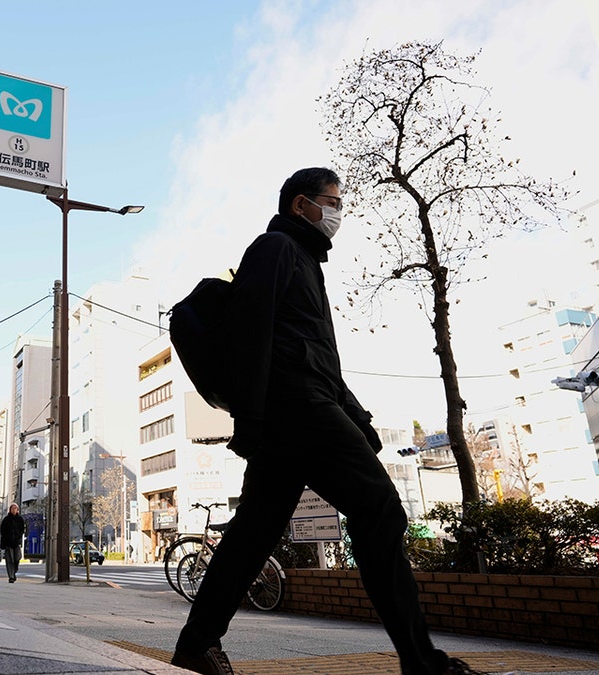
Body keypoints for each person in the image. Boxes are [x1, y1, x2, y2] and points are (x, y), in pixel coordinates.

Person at [170, 168, 491, 675]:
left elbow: (317, 356)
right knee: (381, 509)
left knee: (255, 530)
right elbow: (252, 335)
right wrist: (250, 420)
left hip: (298, 410)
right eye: (333, 201)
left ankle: (196, 643)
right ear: (302, 205)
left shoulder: (304, 262)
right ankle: (422, 663)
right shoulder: (273, 249)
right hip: (295, 410)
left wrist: (358, 418)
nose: (339, 212)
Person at [0, 502, 26, 583]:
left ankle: (14, 571)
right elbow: (2, 530)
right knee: (9, 560)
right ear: (10, 510)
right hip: (8, 543)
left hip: (17, 542)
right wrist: (6, 539)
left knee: (17, 558)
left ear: (17, 510)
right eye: (12, 508)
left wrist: (19, 536)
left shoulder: (20, 519)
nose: (14, 510)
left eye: (15, 508)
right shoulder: (6, 519)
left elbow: (23, 529)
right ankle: (11, 576)